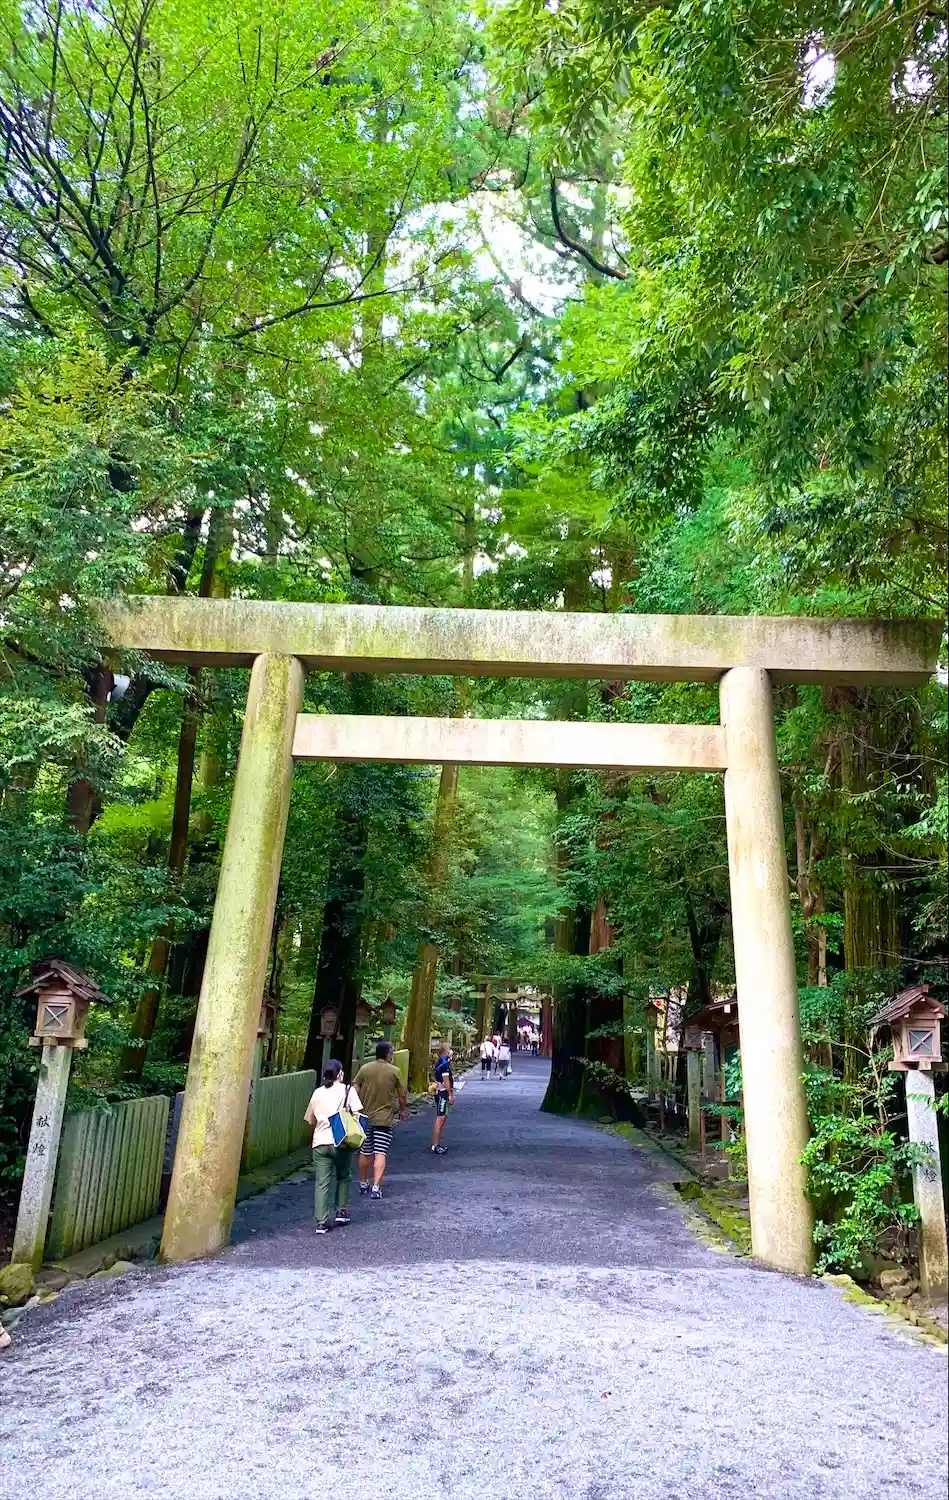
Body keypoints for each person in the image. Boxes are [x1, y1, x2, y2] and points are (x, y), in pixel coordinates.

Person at [304, 1059, 364, 1234]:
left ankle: (321, 1222)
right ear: (340, 1073)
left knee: (321, 1183)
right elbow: (357, 1115)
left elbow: (310, 1119)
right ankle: (341, 1211)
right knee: (344, 1176)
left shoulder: (317, 1093)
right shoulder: (348, 1090)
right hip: (341, 1141)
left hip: (320, 1142)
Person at [353, 1040, 407, 1200]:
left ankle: (363, 1183)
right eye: (392, 1053)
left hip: (365, 1117)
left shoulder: (365, 1069)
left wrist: (355, 1105)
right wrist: (402, 1110)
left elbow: (355, 1086)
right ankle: (376, 1187)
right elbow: (402, 1095)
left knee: (365, 1151)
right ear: (388, 1054)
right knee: (380, 1152)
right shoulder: (394, 1071)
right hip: (384, 1118)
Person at [431, 1045, 454, 1154]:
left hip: (441, 1091)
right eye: (449, 1050)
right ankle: (435, 1145)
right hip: (443, 1093)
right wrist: (450, 1095)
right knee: (440, 1118)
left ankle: (437, 1143)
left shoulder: (441, 1062)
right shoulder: (444, 1064)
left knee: (442, 1117)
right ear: (445, 1052)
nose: (451, 1052)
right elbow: (446, 1080)